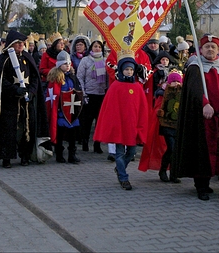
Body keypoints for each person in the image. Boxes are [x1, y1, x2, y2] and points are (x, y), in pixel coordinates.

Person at [172, 35, 219, 200]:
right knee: (202, 152)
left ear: (218, 49)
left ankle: (207, 182)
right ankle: (201, 185)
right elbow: (194, 90)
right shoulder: (195, 68)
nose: (210, 49)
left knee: (217, 151)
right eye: (206, 47)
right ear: (201, 49)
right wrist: (204, 104)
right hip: (202, 119)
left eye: (213, 47)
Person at [0, 30, 49, 168]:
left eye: (22, 43)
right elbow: (1, 81)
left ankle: (25, 156)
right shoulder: (4, 59)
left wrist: (31, 91)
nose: (21, 45)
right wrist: (15, 90)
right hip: (9, 103)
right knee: (8, 131)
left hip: (26, 103)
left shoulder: (27, 57)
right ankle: (6, 158)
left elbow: (34, 78)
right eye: (18, 43)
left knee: (27, 129)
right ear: (11, 44)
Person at [93, 50, 148, 190]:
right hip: (119, 127)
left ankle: (120, 168)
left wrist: (140, 126)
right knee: (119, 153)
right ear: (122, 71)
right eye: (126, 70)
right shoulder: (115, 87)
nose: (129, 72)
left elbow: (141, 109)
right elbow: (110, 109)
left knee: (131, 152)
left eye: (131, 70)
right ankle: (124, 178)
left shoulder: (137, 87)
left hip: (132, 126)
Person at [139, 71, 183, 183]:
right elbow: (157, 108)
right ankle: (163, 170)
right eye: (173, 81)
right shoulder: (162, 93)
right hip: (166, 125)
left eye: (178, 81)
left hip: (178, 125)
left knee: (175, 150)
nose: (176, 83)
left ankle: (173, 173)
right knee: (172, 148)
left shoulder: (182, 93)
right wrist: (160, 112)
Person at [46, 50, 83, 163]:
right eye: (65, 64)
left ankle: (72, 154)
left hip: (71, 110)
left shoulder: (72, 77)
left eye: (69, 64)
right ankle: (59, 154)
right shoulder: (56, 78)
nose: (67, 66)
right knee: (60, 134)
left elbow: (77, 91)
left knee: (72, 135)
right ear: (59, 65)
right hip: (61, 111)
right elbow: (53, 95)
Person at [76, 38, 107, 153]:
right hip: (89, 93)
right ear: (91, 48)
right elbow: (80, 77)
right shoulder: (85, 60)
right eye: (95, 46)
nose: (97, 48)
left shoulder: (104, 61)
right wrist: (83, 92)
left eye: (99, 47)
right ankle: (85, 141)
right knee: (87, 121)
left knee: (99, 121)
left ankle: (97, 144)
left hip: (101, 94)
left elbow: (108, 78)